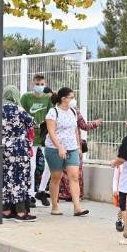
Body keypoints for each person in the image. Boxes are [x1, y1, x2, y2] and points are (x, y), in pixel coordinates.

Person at [44, 87, 89, 216]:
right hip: (54, 149)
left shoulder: (73, 112)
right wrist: (59, 147)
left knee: (74, 176)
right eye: (71, 97)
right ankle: (55, 206)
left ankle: (77, 207)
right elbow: (51, 132)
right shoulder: (53, 112)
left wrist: (78, 146)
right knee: (56, 177)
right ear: (64, 99)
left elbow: (74, 129)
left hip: (72, 148)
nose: (73, 100)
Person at [0, 86, 36, 222]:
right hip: (19, 149)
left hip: (3, 149)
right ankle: (20, 213)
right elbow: (32, 122)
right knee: (19, 179)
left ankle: (6, 210)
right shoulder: (18, 109)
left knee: (6, 179)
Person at [57, 96, 102, 203]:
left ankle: (67, 193)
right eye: (70, 97)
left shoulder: (58, 111)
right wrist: (96, 123)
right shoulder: (75, 112)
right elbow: (84, 126)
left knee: (64, 170)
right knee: (76, 170)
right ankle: (76, 194)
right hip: (74, 145)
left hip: (63, 144)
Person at [21, 74, 52, 206]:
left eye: (42, 84)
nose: (40, 87)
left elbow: (51, 115)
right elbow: (21, 113)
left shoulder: (48, 99)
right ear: (33, 84)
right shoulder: (26, 97)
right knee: (31, 165)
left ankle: (41, 190)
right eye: (37, 84)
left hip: (45, 135)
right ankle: (30, 194)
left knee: (50, 164)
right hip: (31, 136)